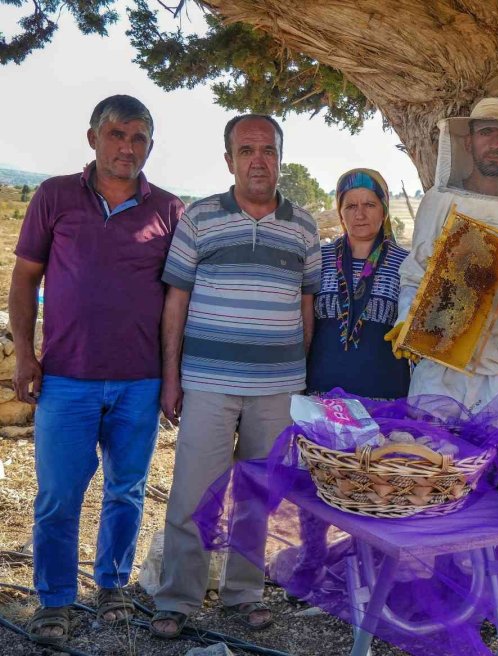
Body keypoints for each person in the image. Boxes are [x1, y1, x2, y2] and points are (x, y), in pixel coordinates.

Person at [9, 95, 183, 646]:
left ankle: (111, 586)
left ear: (150, 147)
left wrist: (173, 376)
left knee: (127, 491)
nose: (126, 147)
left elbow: (179, 296)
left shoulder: (169, 210)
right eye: (116, 135)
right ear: (93, 139)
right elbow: (24, 280)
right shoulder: (55, 195)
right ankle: (55, 600)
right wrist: (24, 352)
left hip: (140, 379)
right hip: (66, 378)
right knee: (59, 494)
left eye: (138, 138)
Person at [150, 114, 321, 638]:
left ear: (280, 158)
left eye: (267, 150)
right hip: (208, 382)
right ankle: (177, 599)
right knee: (191, 494)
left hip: (277, 388)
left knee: (258, 495)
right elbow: (175, 301)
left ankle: (242, 595)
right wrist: (172, 377)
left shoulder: (304, 226)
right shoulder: (200, 218)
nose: (258, 160)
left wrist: (294, 375)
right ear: (229, 161)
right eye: (246, 151)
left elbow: (306, 307)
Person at [389, 97, 498, 410]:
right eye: (486, 132)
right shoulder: (439, 201)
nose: (494, 143)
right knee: (431, 454)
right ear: (468, 142)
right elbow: (415, 272)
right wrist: (406, 321)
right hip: (439, 361)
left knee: (497, 459)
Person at [306, 168, 410, 399]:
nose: (359, 215)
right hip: (322, 398)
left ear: (384, 209)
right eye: (351, 206)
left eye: (369, 205)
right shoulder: (318, 259)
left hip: (387, 400)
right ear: (340, 213)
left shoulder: (407, 265)